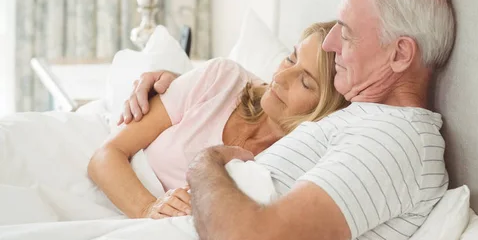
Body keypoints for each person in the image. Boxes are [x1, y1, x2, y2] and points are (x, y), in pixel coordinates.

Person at [124, 0, 456, 240]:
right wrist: (182, 82)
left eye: (346, 34)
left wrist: (207, 163)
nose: (331, 43)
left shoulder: (394, 141)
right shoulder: (363, 120)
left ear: (400, 54)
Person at [88, 21, 349, 220]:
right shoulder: (222, 79)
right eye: (291, 58)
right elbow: (106, 155)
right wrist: (149, 209)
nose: (281, 77)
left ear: (325, 110)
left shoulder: (296, 163)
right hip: (110, 201)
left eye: (305, 82)